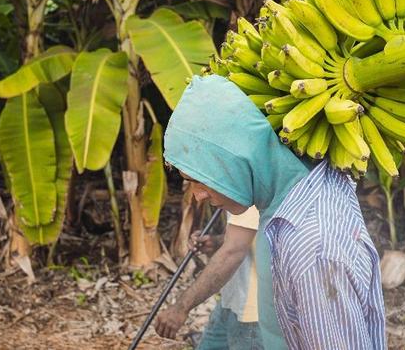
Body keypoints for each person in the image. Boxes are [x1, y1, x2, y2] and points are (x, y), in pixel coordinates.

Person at [163, 74, 387, 350]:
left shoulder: (311, 245)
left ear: (230, 158)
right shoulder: (295, 199)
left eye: (196, 179)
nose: (197, 196)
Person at [155, 207, 263, 349]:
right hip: (232, 300)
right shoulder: (242, 192)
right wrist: (217, 242)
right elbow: (244, 236)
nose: (200, 195)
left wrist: (181, 308)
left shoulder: (250, 193)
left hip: (252, 311)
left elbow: (231, 253)